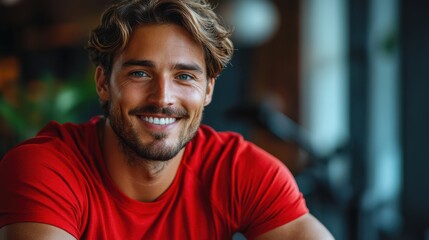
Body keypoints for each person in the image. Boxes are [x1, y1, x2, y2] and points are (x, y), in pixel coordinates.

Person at [0, 0, 334, 239]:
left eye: (185, 76)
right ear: (103, 82)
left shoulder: (238, 170)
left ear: (208, 90)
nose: (162, 98)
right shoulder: (45, 168)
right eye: (141, 73)